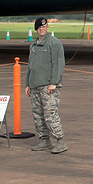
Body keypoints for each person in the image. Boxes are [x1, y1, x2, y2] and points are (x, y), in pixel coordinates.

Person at [26, 17, 67, 152]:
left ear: (47, 27)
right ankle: (44, 140)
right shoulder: (33, 46)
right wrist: (28, 84)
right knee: (38, 114)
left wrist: (54, 83)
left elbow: (59, 64)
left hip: (48, 86)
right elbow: (30, 66)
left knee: (50, 114)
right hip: (35, 86)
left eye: (44, 27)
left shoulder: (54, 43)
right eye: (39, 27)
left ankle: (60, 141)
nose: (42, 29)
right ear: (36, 29)